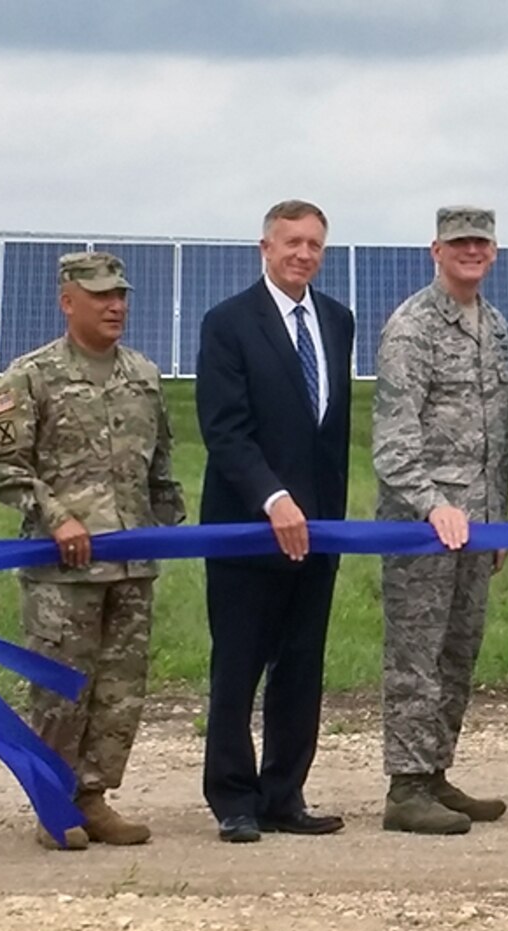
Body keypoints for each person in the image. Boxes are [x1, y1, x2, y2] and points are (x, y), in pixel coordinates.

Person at [0, 251, 185, 851]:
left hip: (131, 565)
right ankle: (52, 800)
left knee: (120, 691)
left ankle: (92, 796)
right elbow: (2, 468)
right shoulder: (32, 377)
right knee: (63, 689)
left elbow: (160, 468)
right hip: (61, 573)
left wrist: (171, 525)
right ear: (68, 301)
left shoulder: (143, 376)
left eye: (120, 294)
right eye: (99, 295)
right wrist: (56, 516)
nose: (114, 305)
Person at [196, 199, 355, 844]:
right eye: (292, 242)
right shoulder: (228, 323)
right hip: (249, 530)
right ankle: (234, 798)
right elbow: (225, 430)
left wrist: (324, 515)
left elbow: (329, 429)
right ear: (265, 247)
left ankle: (284, 794)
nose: (304, 254)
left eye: (315, 244)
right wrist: (273, 497)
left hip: (318, 534)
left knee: (300, 668)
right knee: (237, 669)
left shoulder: (337, 321)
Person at [373, 206, 508, 835]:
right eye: (459, 243)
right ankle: (406, 787)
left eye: (480, 243)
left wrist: (499, 521)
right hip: (422, 525)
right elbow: (394, 439)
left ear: (494, 251)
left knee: (459, 653)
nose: (471, 252)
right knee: (417, 655)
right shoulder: (412, 328)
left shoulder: (497, 327)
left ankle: (435, 773)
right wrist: (434, 505)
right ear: (436, 250)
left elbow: (498, 436)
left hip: (478, 524)